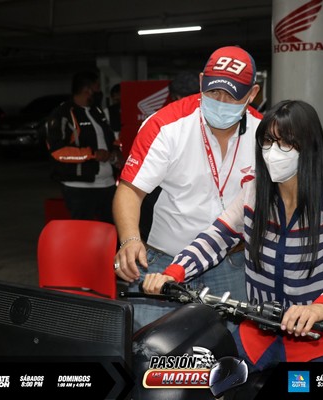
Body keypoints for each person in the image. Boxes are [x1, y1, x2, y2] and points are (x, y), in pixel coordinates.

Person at [142, 99, 323, 373]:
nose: (273, 152)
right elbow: (215, 238)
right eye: (267, 142)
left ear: (309, 147)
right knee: (214, 379)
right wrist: (173, 272)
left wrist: (321, 307)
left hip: (317, 332)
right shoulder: (253, 193)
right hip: (259, 329)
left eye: (285, 143)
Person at [113, 45, 262, 332]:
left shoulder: (265, 133)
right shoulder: (165, 125)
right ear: (201, 81)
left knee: (230, 346)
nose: (221, 101)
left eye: (232, 95)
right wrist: (130, 239)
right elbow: (130, 190)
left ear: (252, 93)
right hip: (164, 259)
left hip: (231, 262)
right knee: (151, 345)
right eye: (213, 91)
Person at [44, 70, 122, 224]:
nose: (100, 92)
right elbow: (58, 151)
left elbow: (110, 138)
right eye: (97, 87)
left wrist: (115, 151)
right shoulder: (62, 114)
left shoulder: (97, 111)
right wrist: (92, 154)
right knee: (84, 231)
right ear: (88, 89)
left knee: (114, 230)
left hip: (108, 184)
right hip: (79, 187)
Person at [138, 70, 202, 241]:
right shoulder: (220, 123)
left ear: (174, 97)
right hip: (205, 220)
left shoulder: (159, 123)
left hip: (164, 220)